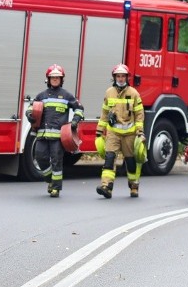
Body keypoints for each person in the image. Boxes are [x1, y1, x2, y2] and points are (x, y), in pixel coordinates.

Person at [26, 64, 84, 197]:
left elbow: (79, 108)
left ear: (61, 79)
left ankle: (56, 188)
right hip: (42, 135)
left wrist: (75, 120)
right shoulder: (41, 96)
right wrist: (29, 115)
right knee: (40, 157)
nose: (55, 79)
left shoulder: (67, 96)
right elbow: (31, 108)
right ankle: (49, 179)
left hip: (58, 137)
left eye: (57, 77)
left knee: (56, 161)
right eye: (53, 77)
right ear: (48, 79)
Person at [96, 63, 145, 199]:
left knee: (130, 162)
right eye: (118, 76)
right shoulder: (109, 92)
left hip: (129, 134)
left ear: (127, 78)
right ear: (114, 77)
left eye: (123, 76)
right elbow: (104, 113)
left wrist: (140, 132)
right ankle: (106, 187)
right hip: (113, 133)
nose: (121, 78)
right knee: (109, 159)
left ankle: (134, 186)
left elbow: (139, 115)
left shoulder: (133, 93)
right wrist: (99, 132)